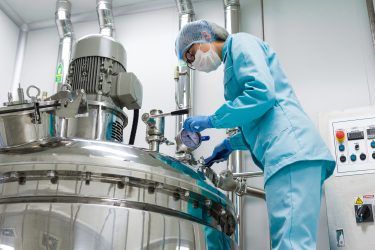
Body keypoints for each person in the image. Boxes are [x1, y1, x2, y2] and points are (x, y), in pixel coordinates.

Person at [175, 20, 336, 250]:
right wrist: (230, 144)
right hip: (288, 152)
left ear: (204, 36)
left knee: (291, 245)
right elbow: (260, 120)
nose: (194, 63)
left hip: (289, 153)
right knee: (292, 242)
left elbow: (261, 95)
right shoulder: (232, 61)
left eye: (190, 54)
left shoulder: (240, 43)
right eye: (189, 62)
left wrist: (212, 120)